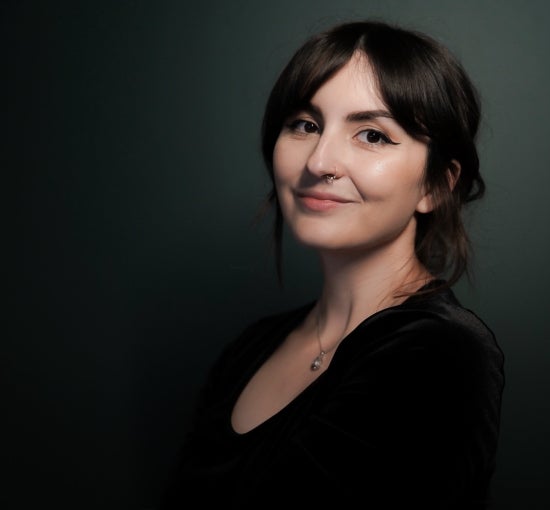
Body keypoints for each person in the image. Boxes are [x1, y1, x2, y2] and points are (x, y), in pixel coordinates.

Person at [160, 19, 505, 508]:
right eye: (305, 125)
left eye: (372, 135)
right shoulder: (250, 349)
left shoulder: (441, 355)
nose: (320, 161)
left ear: (437, 185)